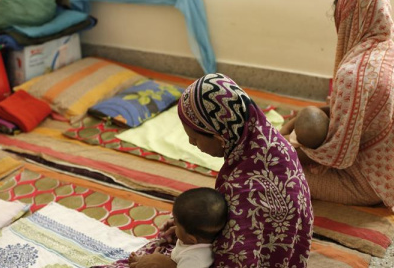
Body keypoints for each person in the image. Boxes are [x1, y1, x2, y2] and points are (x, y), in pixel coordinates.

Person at [129, 73, 313, 268]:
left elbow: (236, 260)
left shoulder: (245, 191)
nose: (192, 143)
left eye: (195, 138)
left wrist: (168, 265)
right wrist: (195, 230)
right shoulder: (267, 142)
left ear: (220, 139)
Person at [280, 0, 394, 214]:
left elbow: (336, 155)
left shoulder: (353, 74)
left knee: (273, 170)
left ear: (348, 17)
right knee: (306, 126)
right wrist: (292, 125)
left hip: (368, 184)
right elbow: (350, 113)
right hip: (393, 165)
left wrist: (282, 150)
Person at [128, 187, 228, 268]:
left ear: (191, 238)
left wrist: (159, 263)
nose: (173, 224)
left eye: (176, 223)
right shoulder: (195, 239)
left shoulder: (194, 260)